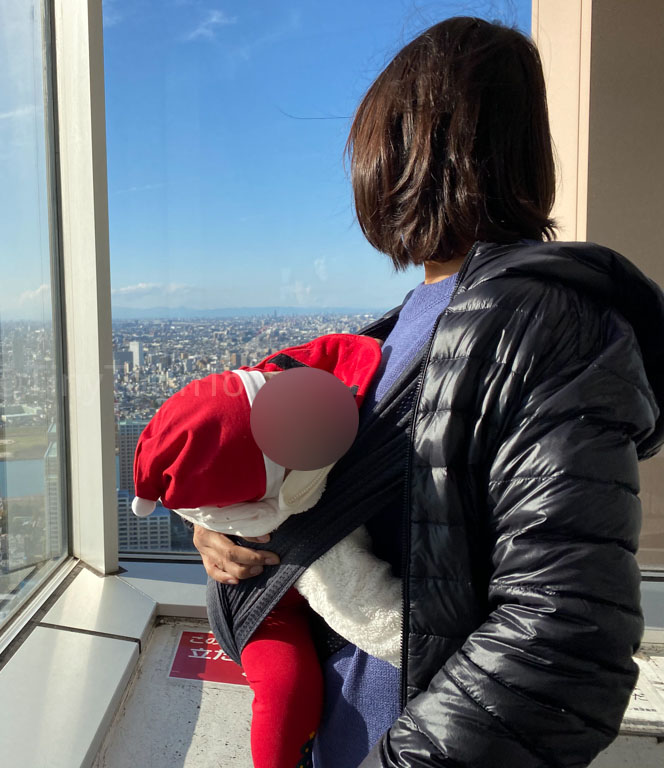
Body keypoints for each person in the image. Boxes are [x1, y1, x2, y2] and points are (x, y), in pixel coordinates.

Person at [193, 16, 664, 768]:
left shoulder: (542, 328)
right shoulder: (396, 335)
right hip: (346, 735)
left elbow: (566, 642)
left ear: (409, 152)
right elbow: (338, 515)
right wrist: (227, 536)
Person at [130, 334, 403, 768]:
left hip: (269, 593)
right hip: (263, 602)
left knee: (285, 686)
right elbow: (382, 620)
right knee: (284, 688)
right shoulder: (329, 373)